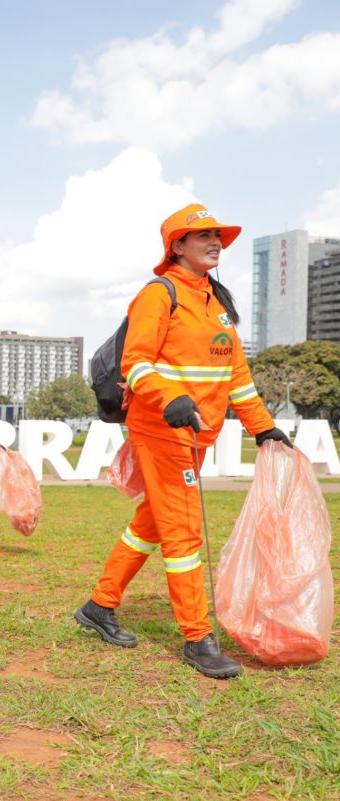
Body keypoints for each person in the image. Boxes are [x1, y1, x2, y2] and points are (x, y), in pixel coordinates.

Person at [74, 204, 289, 679]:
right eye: (202, 236)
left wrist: (262, 426)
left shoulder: (216, 303)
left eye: (218, 236)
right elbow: (137, 363)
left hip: (199, 434)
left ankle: (98, 606)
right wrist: (170, 397)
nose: (215, 242)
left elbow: (237, 379)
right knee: (184, 532)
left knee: (151, 523)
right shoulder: (159, 293)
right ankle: (196, 637)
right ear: (177, 245)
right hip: (162, 430)